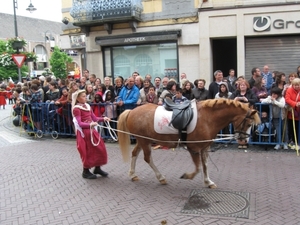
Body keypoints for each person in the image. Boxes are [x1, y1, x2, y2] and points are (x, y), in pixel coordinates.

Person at [72, 89, 110, 179]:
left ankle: (97, 168)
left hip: (92, 131)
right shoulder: (77, 109)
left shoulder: (87, 106)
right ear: (78, 98)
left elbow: (94, 118)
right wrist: (90, 124)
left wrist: (103, 119)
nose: (86, 98)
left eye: (85, 96)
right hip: (84, 133)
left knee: (100, 148)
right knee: (87, 151)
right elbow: (80, 123)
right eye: (83, 96)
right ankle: (85, 171)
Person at [285, 78, 300, 148]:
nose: (297, 86)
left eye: (299, 85)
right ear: (293, 85)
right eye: (296, 85)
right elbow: (287, 99)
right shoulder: (289, 90)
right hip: (292, 112)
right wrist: (295, 103)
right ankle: (293, 141)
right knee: (291, 127)